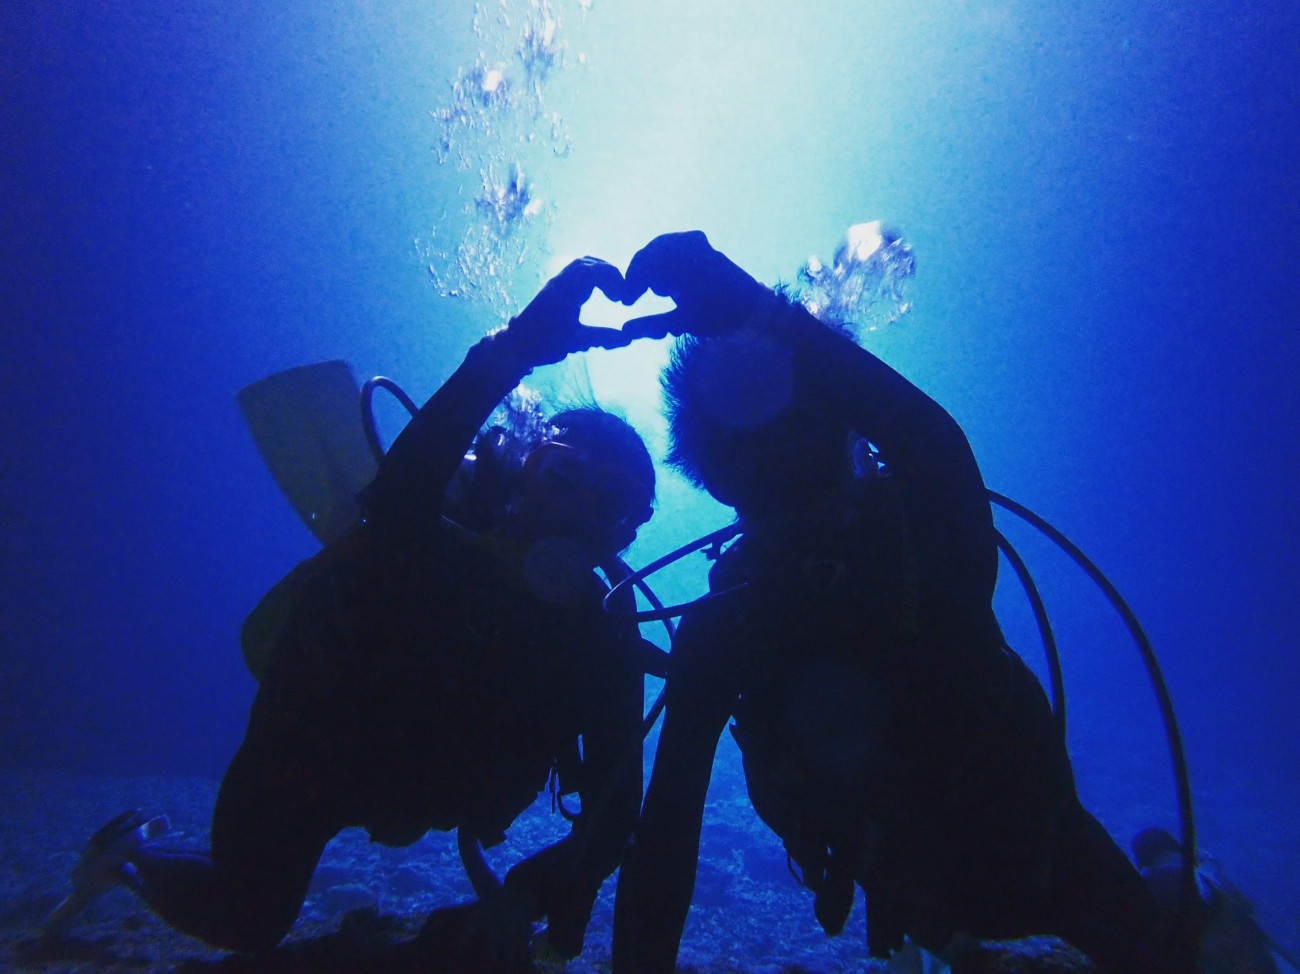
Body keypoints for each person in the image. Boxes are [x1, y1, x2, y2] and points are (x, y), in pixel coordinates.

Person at [610, 232, 1195, 974]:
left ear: (852, 438)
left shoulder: (928, 548)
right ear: (717, 479)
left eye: (803, 443)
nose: (785, 474)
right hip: (919, 889)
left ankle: (1185, 877)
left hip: (1052, 857)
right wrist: (763, 319)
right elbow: (665, 837)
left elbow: (932, 447)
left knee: (1177, 939)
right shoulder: (725, 632)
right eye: (751, 462)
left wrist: (762, 313)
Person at [51, 258, 656, 966]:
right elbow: (396, 498)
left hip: (424, 788)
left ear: (623, 537)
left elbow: (616, 810)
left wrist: (524, 897)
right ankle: (128, 856)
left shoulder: (600, 632)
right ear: (525, 468)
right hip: (311, 748)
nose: (572, 514)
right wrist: (512, 349)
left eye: (607, 507)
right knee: (245, 918)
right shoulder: (424, 529)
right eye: (563, 477)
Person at [1134, 827, 1287, 974]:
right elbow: (1246, 906)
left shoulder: (1151, 880)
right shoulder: (1203, 868)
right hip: (1243, 947)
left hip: (1216, 953)